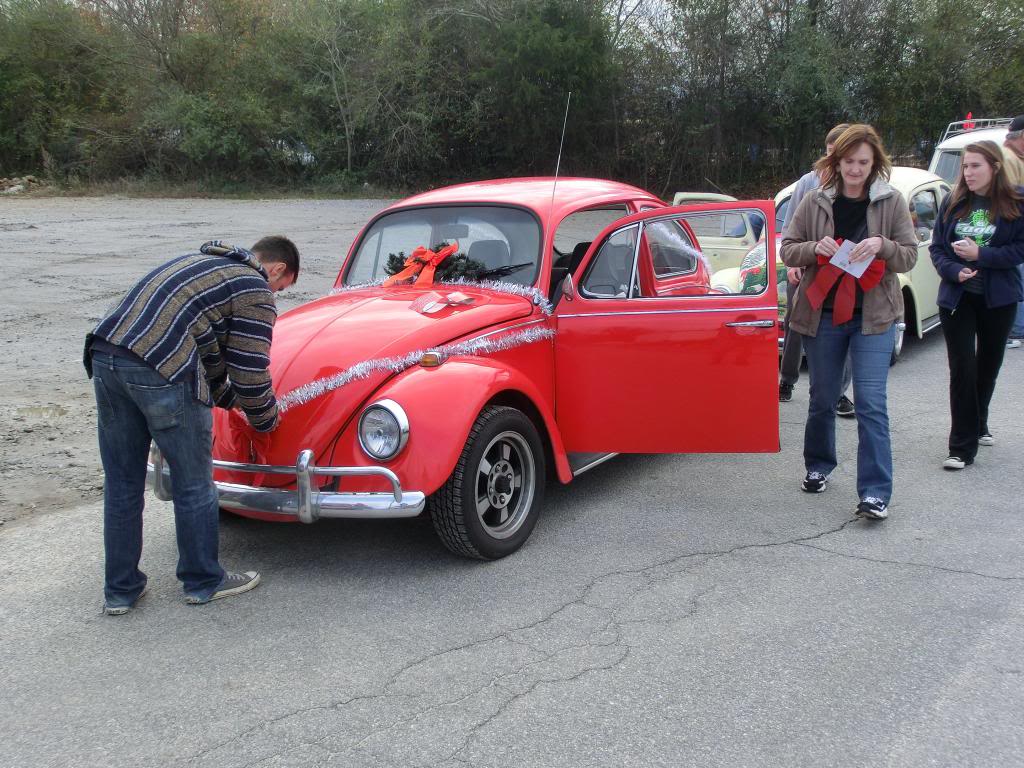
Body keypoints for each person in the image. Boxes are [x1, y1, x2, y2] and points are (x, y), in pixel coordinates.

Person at [84, 237, 300, 614]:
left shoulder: (198, 266)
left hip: (106, 358)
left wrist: (233, 405)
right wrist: (267, 420)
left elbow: (213, 360)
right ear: (277, 269)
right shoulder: (253, 286)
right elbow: (249, 370)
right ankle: (204, 581)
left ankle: (120, 591)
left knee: (122, 484)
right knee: (194, 482)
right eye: (281, 288)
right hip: (163, 367)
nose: (275, 294)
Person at [781, 124, 917, 521]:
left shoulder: (891, 202)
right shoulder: (813, 200)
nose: (855, 169)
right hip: (823, 316)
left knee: (872, 404)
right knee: (822, 398)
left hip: (873, 318)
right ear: (835, 161)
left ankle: (875, 493)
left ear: (875, 163)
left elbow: (908, 256)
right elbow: (788, 250)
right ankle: (818, 466)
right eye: (848, 161)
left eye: (863, 162)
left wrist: (883, 245)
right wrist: (814, 247)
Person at [929, 140, 1024, 470]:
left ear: (994, 167)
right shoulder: (953, 203)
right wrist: (955, 269)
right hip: (958, 299)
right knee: (962, 368)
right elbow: (937, 248)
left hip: (999, 300)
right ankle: (961, 447)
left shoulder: (1016, 202)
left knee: (988, 366)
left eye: (975, 166)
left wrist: (982, 255)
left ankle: (979, 419)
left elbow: (1019, 250)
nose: (967, 173)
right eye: (965, 166)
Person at [779, 123, 856, 419]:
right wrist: (794, 263)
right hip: (807, 267)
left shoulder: (857, 190)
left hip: (844, 273)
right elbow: (790, 230)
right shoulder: (807, 184)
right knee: (796, 324)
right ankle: (787, 379)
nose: (834, 159)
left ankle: (838, 393)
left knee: (845, 325)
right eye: (830, 151)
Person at [1002, 115, 1024, 347]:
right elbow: (1008, 197)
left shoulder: (1014, 157)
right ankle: (1015, 331)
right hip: (1012, 231)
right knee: (1016, 279)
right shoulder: (1008, 158)